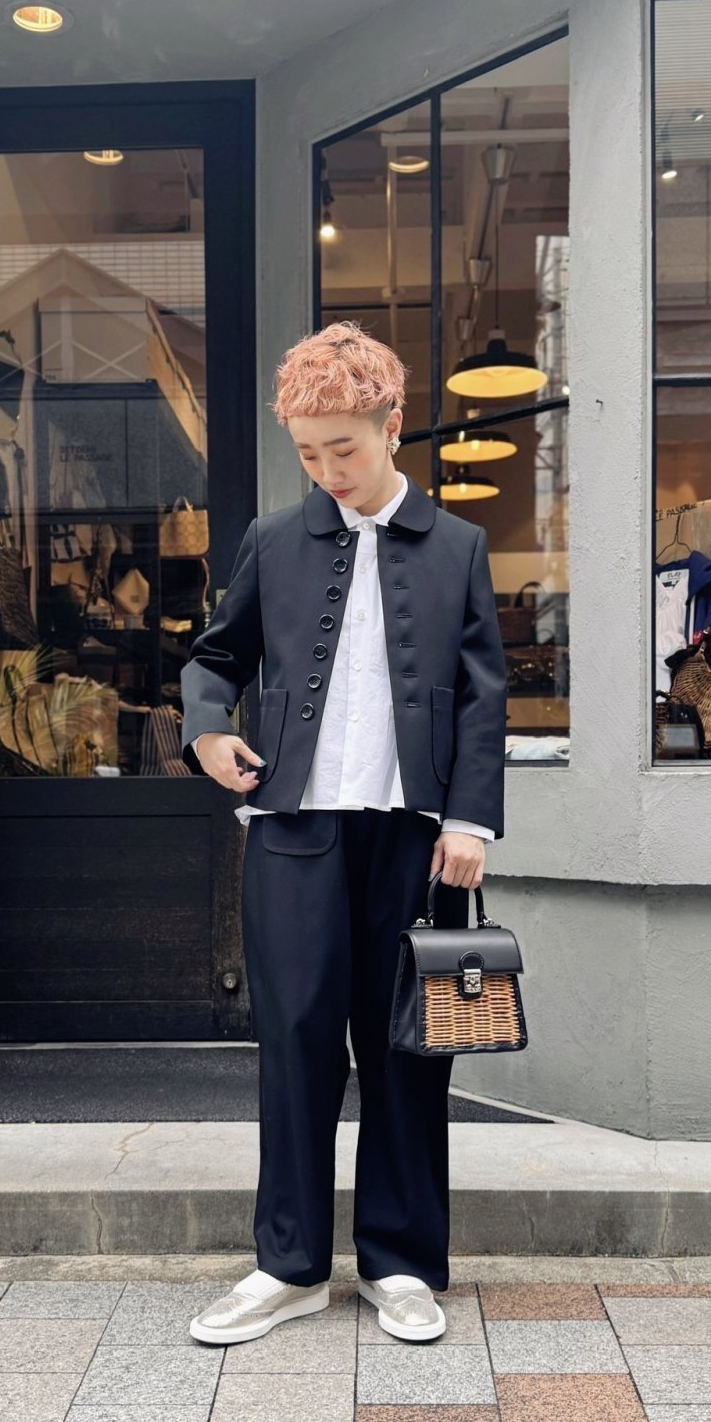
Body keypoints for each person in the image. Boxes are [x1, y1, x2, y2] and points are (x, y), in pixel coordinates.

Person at [179, 321, 505, 1345]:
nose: (328, 472)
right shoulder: (274, 540)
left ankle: (400, 1263)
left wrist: (471, 818)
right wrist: (206, 732)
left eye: (345, 450)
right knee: (294, 1046)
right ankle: (289, 1265)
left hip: (416, 843)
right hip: (293, 835)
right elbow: (214, 658)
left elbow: (484, 698)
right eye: (309, 454)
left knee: (407, 1052)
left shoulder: (458, 547)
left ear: (391, 425)